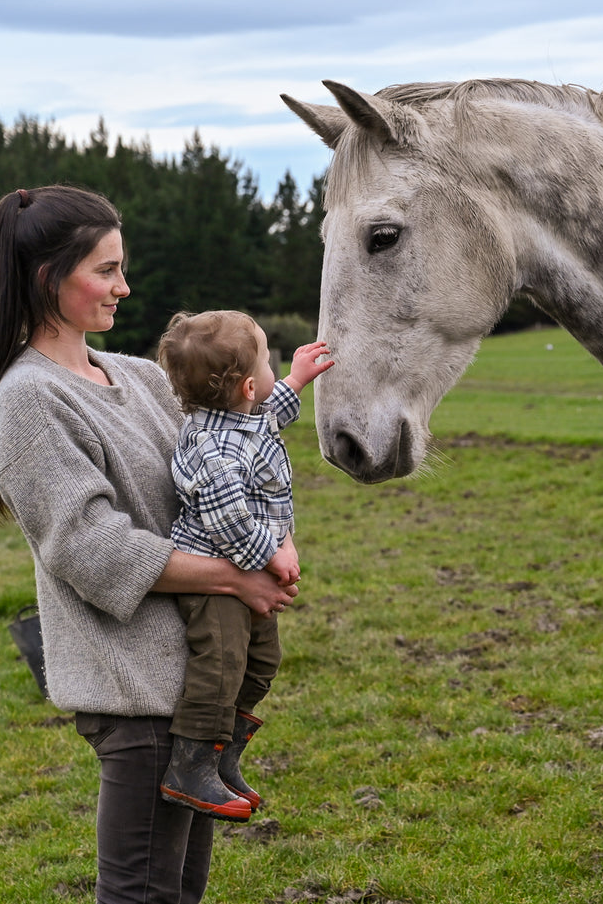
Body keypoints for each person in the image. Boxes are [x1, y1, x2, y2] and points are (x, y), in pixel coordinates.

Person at [0, 184, 302, 904]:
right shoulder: (28, 398)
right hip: (133, 694)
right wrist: (234, 578)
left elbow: (229, 442)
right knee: (141, 892)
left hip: (185, 690)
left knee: (180, 888)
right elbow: (92, 548)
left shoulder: (145, 376)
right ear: (46, 278)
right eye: (107, 270)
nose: (125, 286)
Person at [153, 310, 331, 822]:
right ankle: (189, 768)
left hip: (241, 573)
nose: (276, 368)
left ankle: (223, 756)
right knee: (221, 666)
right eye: (271, 359)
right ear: (249, 385)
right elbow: (227, 517)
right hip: (213, 580)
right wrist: (271, 554)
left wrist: (296, 377)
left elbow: (270, 412)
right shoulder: (211, 448)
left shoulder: (242, 418)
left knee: (262, 661)